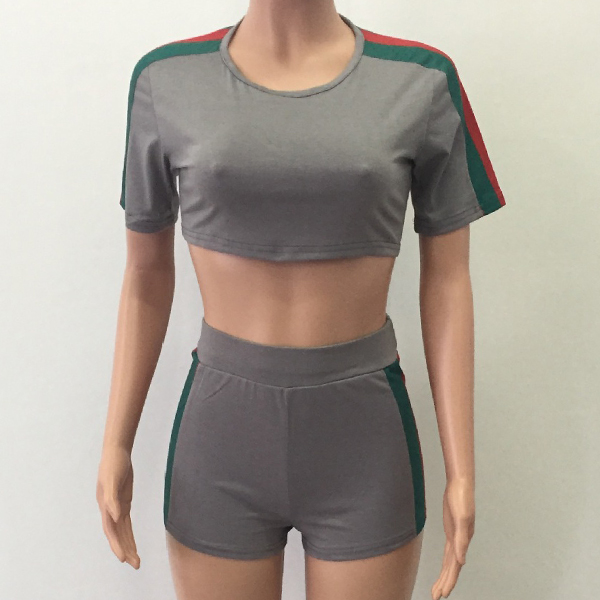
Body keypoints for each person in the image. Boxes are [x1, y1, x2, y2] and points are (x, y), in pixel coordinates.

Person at [97, 2, 506, 599]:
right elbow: (145, 274)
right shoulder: (167, 78)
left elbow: (447, 281)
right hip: (221, 436)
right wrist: (116, 442)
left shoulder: (420, 79)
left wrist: (461, 471)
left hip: (364, 439)